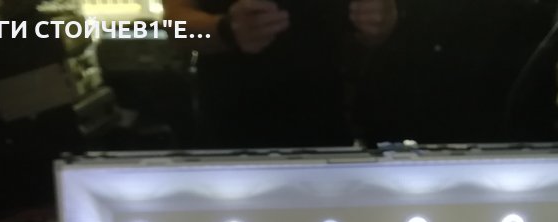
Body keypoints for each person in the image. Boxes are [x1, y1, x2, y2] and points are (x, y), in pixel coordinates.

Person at [164, 0, 398, 148]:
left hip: (333, 134)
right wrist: (223, 30)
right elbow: (176, 28)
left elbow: (379, 20)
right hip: (228, 135)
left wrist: (379, 21)